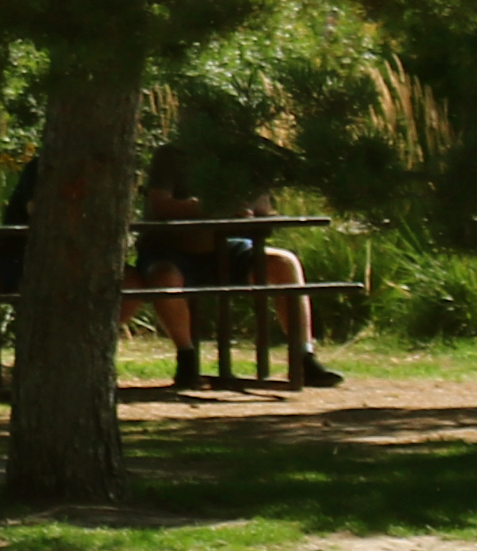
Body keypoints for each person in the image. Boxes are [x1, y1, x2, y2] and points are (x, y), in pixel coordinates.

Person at [135, 137, 336, 389]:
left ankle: (304, 355)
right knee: (164, 277)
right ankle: (187, 358)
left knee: (284, 263)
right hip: (170, 248)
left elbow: (263, 209)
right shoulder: (172, 154)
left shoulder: (248, 156)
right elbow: (160, 205)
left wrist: (249, 214)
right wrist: (208, 209)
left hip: (227, 246)